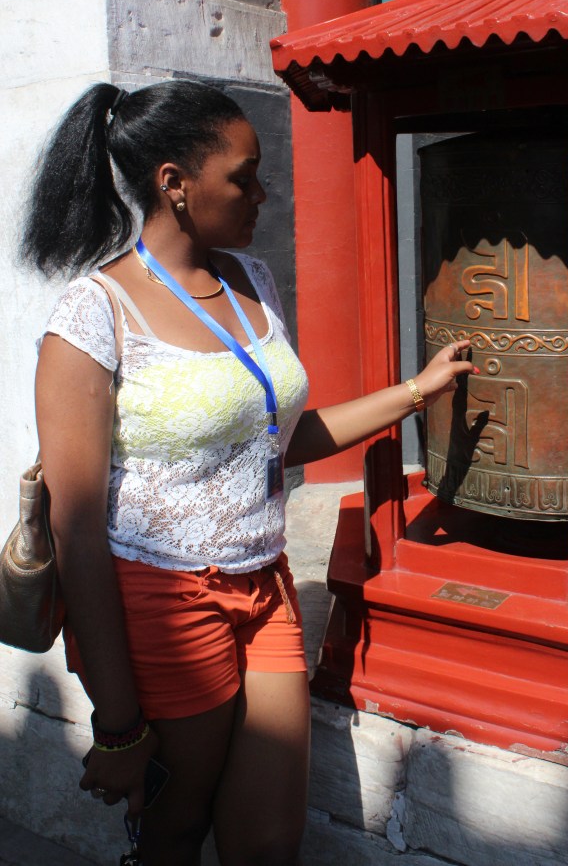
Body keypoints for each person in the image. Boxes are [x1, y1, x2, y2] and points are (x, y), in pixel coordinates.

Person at [21, 80, 476, 866]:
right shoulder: (94, 313)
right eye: (244, 175)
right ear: (174, 184)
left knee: (268, 837)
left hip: (264, 587)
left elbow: (275, 440)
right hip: (162, 600)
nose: (264, 192)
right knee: (174, 827)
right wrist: (120, 724)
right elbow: (77, 528)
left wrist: (414, 391)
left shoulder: (252, 284)